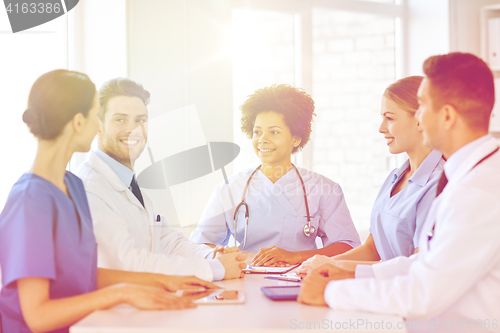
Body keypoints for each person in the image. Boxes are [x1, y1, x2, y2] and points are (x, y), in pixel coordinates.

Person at [0, 70, 219, 333]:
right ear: (79, 122)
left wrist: (162, 281)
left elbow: (85, 273)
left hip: (84, 325)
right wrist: (122, 293)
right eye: (96, 116)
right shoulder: (30, 200)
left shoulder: (73, 186)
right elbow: (37, 315)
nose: (98, 126)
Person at [298, 53, 500, 332]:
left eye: (422, 107)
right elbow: (427, 262)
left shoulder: (480, 190)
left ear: (447, 116)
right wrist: (351, 271)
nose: (418, 118)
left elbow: (424, 293)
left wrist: (331, 292)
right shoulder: (467, 176)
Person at [75, 78, 246, 282]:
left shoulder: (128, 183)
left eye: (140, 120)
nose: (133, 129)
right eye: (120, 119)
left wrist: (211, 256)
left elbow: (167, 241)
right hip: (114, 310)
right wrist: (215, 269)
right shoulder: (89, 187)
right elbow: (127, 264)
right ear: (98, 126)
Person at [191, 84, 360, 267]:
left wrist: (295, 257)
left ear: (296, 138)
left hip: (301, 281)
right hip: (243, 278)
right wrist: (224, 255)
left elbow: (347, 247)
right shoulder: (229, 189)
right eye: (257, 132)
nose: (262, 139)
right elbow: (200, 245)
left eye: (274, 132)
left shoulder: (324, 190)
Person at [297, 76, 444, 277]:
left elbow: (417, 268)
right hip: (384, 290)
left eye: (390, 118)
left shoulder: (439, 184)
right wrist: (320, 265)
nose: (381, 128)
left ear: (420, 119)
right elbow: (372, 249)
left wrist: (337, 268)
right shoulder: (395, 177)